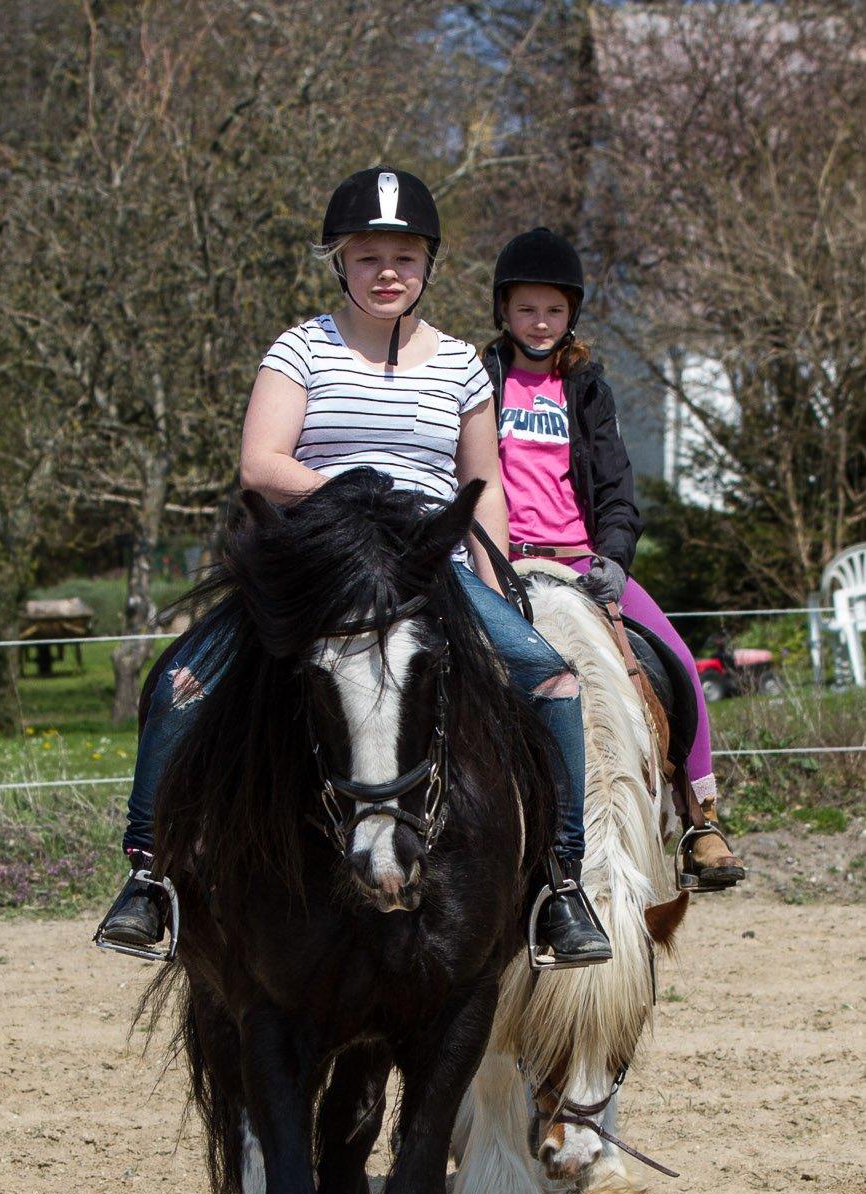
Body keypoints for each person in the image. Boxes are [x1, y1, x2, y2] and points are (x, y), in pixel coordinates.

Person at [96, 172, 614, 964]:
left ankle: (559, 884)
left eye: (403, 258)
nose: (386, 273)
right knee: (180, 683)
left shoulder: (461, 367)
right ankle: (148, 875)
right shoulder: (300, 349)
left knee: (553, 683)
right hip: (318, 564)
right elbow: (261, 464)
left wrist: (498, 585)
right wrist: (357, 497)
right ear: (340, 262)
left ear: (427, 265)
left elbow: (482, 486)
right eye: (368, 257)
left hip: (426, 571)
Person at [484, 227, 745, 890]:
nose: (539, 322)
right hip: (498, 561)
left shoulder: (587, 390)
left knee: (678, 662)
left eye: (553, 310)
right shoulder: (479, 382)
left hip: (581, 560)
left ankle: (701, 818)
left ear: (570, 313)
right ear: (503, 311)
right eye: (525, 308)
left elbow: (616, 491)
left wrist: (615, 559)